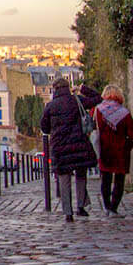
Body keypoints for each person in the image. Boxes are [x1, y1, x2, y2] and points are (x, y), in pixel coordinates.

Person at [40, 78, 102, 222]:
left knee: (64, 178)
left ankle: (68, 212)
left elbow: (44, 128)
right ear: (68, 88)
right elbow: (98, 98)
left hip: (60, 147)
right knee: (81, 175)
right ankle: (81, 206)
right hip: (78, 144)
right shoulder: (77, 100)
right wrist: (82, 88)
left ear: (54, 89)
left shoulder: (50, 106)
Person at [94, 85, 133, 216]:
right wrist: (128, 145)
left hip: (104, 149)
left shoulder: (98, 111)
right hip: (120, 150)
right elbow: (132, 133)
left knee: (105, 180)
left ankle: (107, 206)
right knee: (119, 180)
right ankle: (114, 207)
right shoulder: (124, 113)